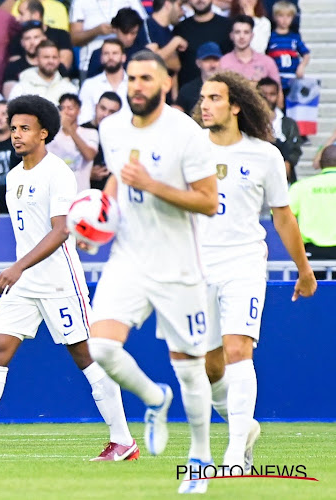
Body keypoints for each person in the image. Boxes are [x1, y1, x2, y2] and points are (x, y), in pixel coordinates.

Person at [0, 94, 135, 463]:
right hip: (24, 285)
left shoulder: (58, 172)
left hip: (58, 281)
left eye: (25, 128)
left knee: (86, 356)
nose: (16, 135)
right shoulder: (14, 174)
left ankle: (123, 440)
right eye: (13, 128)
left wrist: (17, 266)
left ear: (44, 133)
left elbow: (60, 232)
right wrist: (20, 272)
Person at [86, 51, 219, 494]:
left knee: (189, 369)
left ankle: (200, 459)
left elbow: (208, 201)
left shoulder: (187, 133)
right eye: (132, 78)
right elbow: (118, 183)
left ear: (165, 82)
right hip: (127, 259)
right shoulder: (111, 126)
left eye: (147, 78)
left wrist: (153, 185)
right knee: (101, 347)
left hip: (178, 266)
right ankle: (153, 398)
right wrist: (98, 222)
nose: (137, 85)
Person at [195, 70, 316, 475]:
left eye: (214, 97)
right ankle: (243, 427)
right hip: (197, 267)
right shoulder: (189, 151)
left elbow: (283, 218)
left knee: (238, 351)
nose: (205, 104)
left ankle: (233, 456)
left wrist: (304, 270)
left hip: (243, 262)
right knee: (210, 366)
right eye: (203, 97)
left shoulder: (264, 155)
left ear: (235, 105)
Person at [289, 145, 336, 279]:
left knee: (314, 299)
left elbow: (279, 216)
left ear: (320, 163)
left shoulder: (301, 187)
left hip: (312, 257)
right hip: (311, 256)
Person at [69, 0, 147, 76]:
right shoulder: (79, 2)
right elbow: (74, 39)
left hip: (130, 59)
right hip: (91, 62)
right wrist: (96, 31)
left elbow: (144, 25)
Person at [174, 0, 233, 88]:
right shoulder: (180, 29)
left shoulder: (228, 26)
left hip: (221, 91)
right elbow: (175, 68)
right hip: (188, 96)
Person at [47, 93, 98, 191]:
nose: (65, 112)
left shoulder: (90, 133)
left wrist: (70, 129)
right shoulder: (51, 135)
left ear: (78, 111)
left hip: (80, 193)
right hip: (57, 193)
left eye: (70, 108)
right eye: (62, 108)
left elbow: (89, 155)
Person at [258, 77, 302, 184]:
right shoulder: (249, 122)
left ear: (278, 96)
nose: (268, 98)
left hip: (284, 177)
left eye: (272, 94)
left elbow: (295, 150)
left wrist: (288, 163)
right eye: (263, 95)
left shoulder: (289, 123)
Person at [7, 1, 73, 71]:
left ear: (36, 15)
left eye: (21, 14)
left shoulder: (61, 35)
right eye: (27, 38)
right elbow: (14, 69)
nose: (17, 18)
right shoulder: (17, 38)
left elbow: (65, 64)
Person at [8, 40, 78, 104]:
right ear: (36, 59)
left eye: (54, 57)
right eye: (46, 57)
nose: (51, 61)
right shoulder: (21, 88)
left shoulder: (69, 88)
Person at [77, 39, 128, 125]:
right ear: (101, 58)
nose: (110, 57)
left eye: (115, 53)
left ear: (123, 57)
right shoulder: (90, 85)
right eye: (106, 53)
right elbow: (84, 119)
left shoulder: (134, 84)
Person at [86, 8, 147, 78]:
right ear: (115, 29)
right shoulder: (98, 54)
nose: (129, 38)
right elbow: (91, 83)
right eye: (125, 33)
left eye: (133, 33)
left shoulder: (145, 54)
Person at [219, 15, 281, 85]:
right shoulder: (223, 63)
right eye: (237, 32)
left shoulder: (267, 62)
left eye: (246, 32)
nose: (242, 37)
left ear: (252, 35)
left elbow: (278, 93)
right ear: (231, 35)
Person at [79, 91, 122, 190]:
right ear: (96, 107)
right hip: (84, 192)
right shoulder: (81, 131)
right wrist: (87, 174)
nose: (105, 114)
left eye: (112, 112)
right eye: (103, 108)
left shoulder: (121, 136)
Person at [266, 0, 309, 94]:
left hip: (293, 79)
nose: (285, 20)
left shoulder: (295, 38)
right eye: (281, 16)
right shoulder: (270, 37)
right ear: (274, 17)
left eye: (288, 16)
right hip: (276, 79)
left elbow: (306, 54)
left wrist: (301, 66)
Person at [176, 42, 222, 115]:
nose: (212, 65)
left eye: (216, 60)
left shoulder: (229, 88)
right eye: (207, 60)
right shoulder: (187, 91)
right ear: (198, 63)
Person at [142, 0, 186, 71]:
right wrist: (175, 42)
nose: (183, 12)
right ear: (167, 4)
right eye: (179, 5)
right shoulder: (148, 26)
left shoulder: (168, 31)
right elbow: (152, 60)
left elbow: (176, 65)